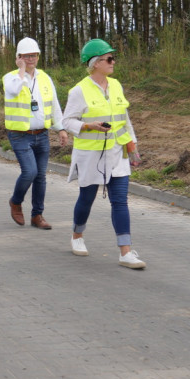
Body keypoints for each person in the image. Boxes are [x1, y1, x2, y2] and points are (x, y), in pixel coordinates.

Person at [63, 39, 146, 270]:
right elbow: (67, 121)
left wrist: (133, 144)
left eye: (113, 58)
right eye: (108, 59)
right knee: (87, 199)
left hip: (117, 153)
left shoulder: (116, 85)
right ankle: (77, 235)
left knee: (120, 201)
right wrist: (89, 126)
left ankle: (126, 252)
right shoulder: (79, 90)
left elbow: (124, 118)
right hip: (91, 156)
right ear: (95, 63)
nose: (113, 62)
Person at [3, 37, 69, 229]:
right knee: (29, 172)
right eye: (26, 56)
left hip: (42, 134)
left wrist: (61, 128)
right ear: (18, 57)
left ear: (38, 56)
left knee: (40, 175)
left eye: (34, 55)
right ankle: (16, 202)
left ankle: (37, 215)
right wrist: (22, 70)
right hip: (20, 134)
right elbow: (14, 91)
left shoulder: (45, 78)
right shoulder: (11, 77)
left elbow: (54, 104)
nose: (31, 59)